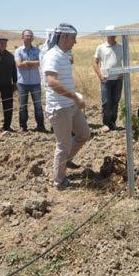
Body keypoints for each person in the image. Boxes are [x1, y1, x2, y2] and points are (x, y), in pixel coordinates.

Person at [42, 23, 91, 189]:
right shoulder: (52, 55)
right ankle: (59, 181)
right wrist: (74, 97)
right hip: (59, 108)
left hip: (71, 105)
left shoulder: (64, 54)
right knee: (63, 145)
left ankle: (66, 161)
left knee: (84, 134)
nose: (75, 42)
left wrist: (74, 99)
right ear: (63, 37)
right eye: (73, 38)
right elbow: (52, 82)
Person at [14, 29, 46, 132]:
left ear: (32, 38)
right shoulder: (18, 51)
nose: (28, 37)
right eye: (26, 36)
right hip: (22, 83)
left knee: (38, 106)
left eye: (30, 36)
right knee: (23, 106)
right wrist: (33, 63)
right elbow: (19, 64)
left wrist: (27, 62)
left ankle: (40, 126)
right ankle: (23, 127)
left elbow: (42, 62)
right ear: (22, 37)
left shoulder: (37, 50)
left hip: (35, 82)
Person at [93, 25, 123, 130]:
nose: (112, 36)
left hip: (118, 80)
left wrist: (123, 72)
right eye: (109, 34)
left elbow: (126, 61)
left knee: (115, 101)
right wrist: (100, 75)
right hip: (105, 79)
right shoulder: (100, 47)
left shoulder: (121, 47)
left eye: (113, 34)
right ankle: (105, 123)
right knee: (106, 102)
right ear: (106, 35)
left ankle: (112, 123)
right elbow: (95, 62)